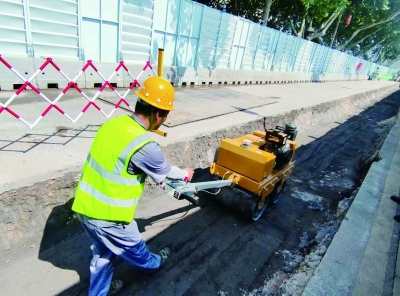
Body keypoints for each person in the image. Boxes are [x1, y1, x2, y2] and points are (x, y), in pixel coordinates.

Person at [71, 75, 195, 296]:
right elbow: (166, 172)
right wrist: (186, 174)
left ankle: (98, 292)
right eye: (165, 115)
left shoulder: (113, 124)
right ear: (158, 114)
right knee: (136, 248)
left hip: (84, 207)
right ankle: (154, 264)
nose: (164, 120)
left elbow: (117, 165)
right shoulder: (146, 146)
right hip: (109, 217)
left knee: (104, 253)